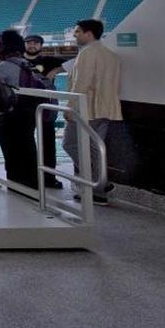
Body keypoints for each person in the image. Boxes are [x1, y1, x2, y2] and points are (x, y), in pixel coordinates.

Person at [64, 19, 122, 205]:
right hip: (106, 108)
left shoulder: (87, 53)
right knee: (96, 149)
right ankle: (100, 185)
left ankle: (98, 185)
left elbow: (81, 83)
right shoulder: (111, 54)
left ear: (89, 33)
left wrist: (70, 107)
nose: (75, 35)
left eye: (78, 31)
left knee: (70, 144)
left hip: (87, 109)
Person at [0, 30, 45, 192]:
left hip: (9, 117)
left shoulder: (3, 68)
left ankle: (17, 186)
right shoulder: (26, 64)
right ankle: (32, 185)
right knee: (28, 148)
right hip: (28, 114)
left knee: (12, 153)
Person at [24, 34, 64, 189]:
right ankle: (31, 176)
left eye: (35, 43)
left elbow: (74, 63)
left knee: (48, 143)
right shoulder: (20, 61)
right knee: (26, 143)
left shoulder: (48, 61)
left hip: (46, 107)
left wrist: (56, 71)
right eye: (29, 43)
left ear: (41, 45)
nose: (32, 45)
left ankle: (49, 177)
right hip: (25, 107)